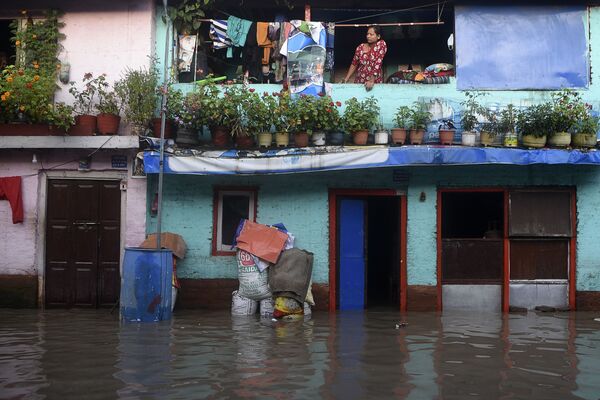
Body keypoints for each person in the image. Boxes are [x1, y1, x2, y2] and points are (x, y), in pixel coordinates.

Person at [341, 25, 387, 91]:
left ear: (378, 36)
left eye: (371, 34)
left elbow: (378, 62)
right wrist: (346, 79)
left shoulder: (381, 45)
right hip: (359, 81)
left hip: (374, 83)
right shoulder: (360, 47)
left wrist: (371, 80)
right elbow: (354, 63)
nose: (368, 36)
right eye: (367, 34)